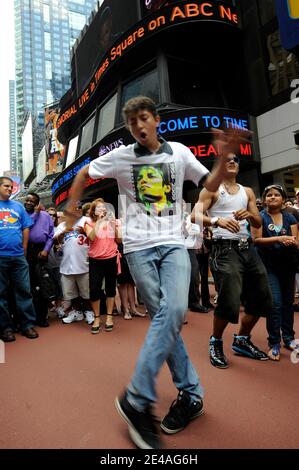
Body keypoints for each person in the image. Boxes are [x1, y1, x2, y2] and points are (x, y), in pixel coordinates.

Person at [64, 96, 250, 449]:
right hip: (137, 248)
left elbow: (207, 185)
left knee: (174, 311)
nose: (138, 126)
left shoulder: (179, 152)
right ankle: (191, 393)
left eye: (144, 118)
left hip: (173, 243)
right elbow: (86, 172)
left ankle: (136, 398)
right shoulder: (120, 157)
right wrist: (73, 207)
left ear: (156, 120)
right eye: (132, 122)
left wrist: (223, 156)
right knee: (165, 320)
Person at [192, 154, 272, 369]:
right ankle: (215, 341)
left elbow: (257, 219)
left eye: (236, 159)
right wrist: (218, 221)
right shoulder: (211, 189)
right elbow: (193, 215)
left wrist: (248, 214)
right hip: (224, 249)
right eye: (227, 159)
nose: (233, 162)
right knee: (229, 299)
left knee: (262, 297)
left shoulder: (247, 191)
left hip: (248, 249)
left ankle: (242, 339)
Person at [251, 184, 299, 360]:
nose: (272, 197)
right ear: (264, 200)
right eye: (269, 195)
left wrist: (292, 242)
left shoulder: (290, 218)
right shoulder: (260, 217)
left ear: (283, 199)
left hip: (288, 266)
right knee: (275, 304)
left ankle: (289, 338)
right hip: (268, 267)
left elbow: (297, 241)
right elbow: (256, 240)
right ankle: (274, 342)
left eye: (276, 195)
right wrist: (279, 238)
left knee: (288, 303)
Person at [0, 177, 38, 341]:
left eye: (11, 186)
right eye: (6, 186)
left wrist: (24, 248)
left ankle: (27, 325)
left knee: (24, 291)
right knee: (0, 294)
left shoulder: (18, 207)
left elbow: (25, 228)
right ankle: (5, 328)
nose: (10, 189)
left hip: (18, 257)